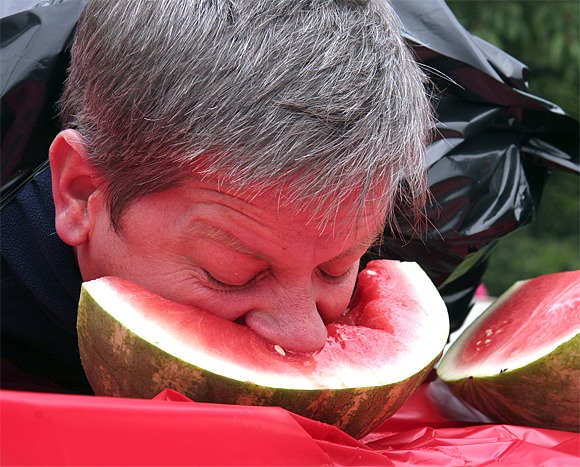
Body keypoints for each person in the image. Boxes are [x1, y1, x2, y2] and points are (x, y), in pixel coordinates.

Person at [1, 0, 435, 393]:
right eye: (233, 274)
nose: (306, 338)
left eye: (337, 269)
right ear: (81, 191)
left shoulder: (453, 206)